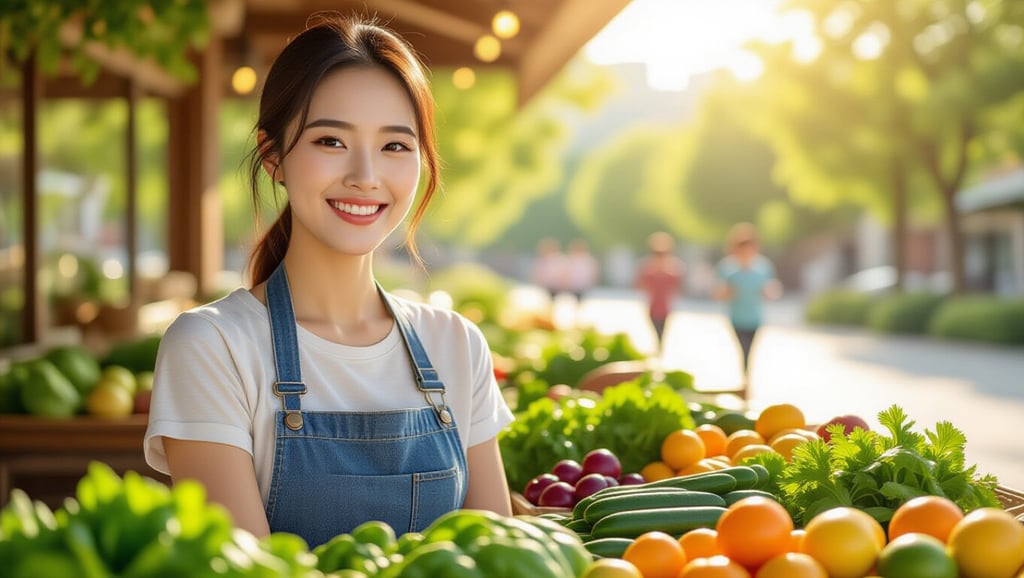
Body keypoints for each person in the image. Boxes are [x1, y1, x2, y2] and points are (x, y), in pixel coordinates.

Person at [143, 15, 514, 548]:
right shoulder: (213, 347)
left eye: (394, 146)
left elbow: (500, 557)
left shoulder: (457, 345)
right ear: (273, 157)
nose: (366, 174)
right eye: (331, 141)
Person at [712, 222, 782, 393]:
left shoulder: (763, 267)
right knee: (742, 348)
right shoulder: (727, 268)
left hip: (755, 317)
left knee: (749, 349)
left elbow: (772, 290)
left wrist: (770, 292)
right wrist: (727, 292)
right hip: (737, 317)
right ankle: (744, 379)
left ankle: (746, 379)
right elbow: (718, 293)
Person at [634, 231, 685, 353]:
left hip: (666, 306)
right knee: (656, 328)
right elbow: (640, 286)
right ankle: (658, 346)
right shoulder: (647, 268)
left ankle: (660, 347)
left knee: (663, 329)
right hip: (653, 305)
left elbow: (678, 288)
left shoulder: (674, 269)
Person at [531, 237, 567, 302]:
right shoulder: (542, 260)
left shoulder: (559, 259)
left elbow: (563, 274)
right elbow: (537, 274)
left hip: (557, 288)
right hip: (545, 287)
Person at [565, 238, 600, 303]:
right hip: (573, 286)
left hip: (583, 285)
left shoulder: (588, 260)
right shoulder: (571, 259)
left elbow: (593, 273)